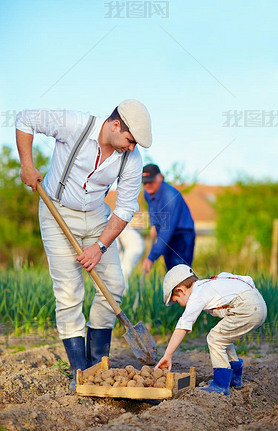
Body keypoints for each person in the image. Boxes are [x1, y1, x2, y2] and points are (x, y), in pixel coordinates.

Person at [15, 99, 152, 390]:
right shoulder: (75, 124)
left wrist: (99, 247)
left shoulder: (132, 158)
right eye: (130, 139)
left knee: (114, 286)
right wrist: (27, 165)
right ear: (116, 125)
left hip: (98, 219)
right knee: (68, 291)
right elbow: (25, 119)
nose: (131, 147)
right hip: (56, 212)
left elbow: (126, 208)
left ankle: (96, 360)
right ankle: (79, 370)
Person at [156, 264, 267, 395]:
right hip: (257, 302)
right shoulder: (213, 282)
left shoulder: (197, 294)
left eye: (176, 300)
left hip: (246, 307)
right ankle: (234, 377)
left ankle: (220, 385)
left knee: (214, 338)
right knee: (223, 338)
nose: (179, 304)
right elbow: (247, 280)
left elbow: (183, 325)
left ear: (181, 291)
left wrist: (168, 355)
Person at [142, 164, 195, 273]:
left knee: (180, 274)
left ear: (160, 177)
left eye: (150, 181)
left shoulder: (170, 197)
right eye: (145, 182)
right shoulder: (147, 193)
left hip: (182, 235)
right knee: (170, 273)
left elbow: (166, 231)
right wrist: (153, 224)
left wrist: (151, 257)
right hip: (167, 234)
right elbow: (152, 210)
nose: (147, 185)